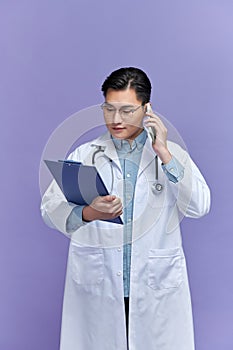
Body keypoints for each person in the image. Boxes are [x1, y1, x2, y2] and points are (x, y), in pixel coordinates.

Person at [40, 67, 211, 350]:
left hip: (154, 283)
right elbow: (49, 210)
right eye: (109, 109)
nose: (116, 120)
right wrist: (90, 213)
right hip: (100, 285)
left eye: (127, 110)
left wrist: (164, 154)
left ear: (147, 109)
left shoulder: (171, 155)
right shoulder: (86, 154)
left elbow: (200, 206)